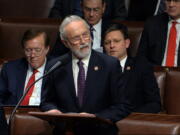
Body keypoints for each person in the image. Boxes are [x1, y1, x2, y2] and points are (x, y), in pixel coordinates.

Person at [41, 15, 133, 135]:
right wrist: (52, 110)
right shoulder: (55, 66)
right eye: (76, 38)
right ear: (65, 42)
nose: (83, 41)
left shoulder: (109, 64)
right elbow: (46, 101)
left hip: (99, 131)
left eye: (85, 35)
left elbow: (122, 106)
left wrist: (95, 117)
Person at [104, 23, 161, 113]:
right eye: (107, 43)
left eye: (116, 41)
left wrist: (131, 117)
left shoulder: (141, 67)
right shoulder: (100, 69)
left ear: (127, 43)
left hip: (132, 121)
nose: (111, 46)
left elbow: (154, 104)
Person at [0, 30, 55, 106]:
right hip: (14, 115)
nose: (32, 55)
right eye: (28, 50)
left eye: (37, 50)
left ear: (47, 49)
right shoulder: (10, 69)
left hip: (45, 115)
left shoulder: (57, 69)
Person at [50, 0, 122, 57]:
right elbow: (56, 57)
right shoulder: (70, 29)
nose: (91, 14)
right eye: (88, 9)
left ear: (103, 8)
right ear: (81, 7)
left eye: (96, 9)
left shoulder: (114, 30)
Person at [137, 0, 180, 66]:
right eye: (168, 0)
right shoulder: (152, 23)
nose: (171, 4)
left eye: (176, 0)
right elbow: (142, 57)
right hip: (154, 72)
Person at [49, 0, 127, 21]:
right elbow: (55, 12)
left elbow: (120, 16)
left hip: (103, 33)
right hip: (72, 32)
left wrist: (109, 31)